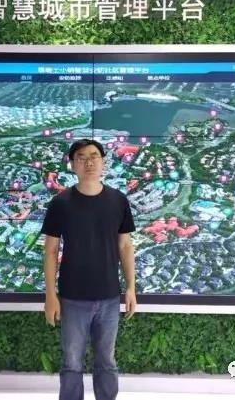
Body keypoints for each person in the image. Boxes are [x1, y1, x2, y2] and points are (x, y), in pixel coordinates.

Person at [41, 138, 137, 400]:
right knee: (71, 363)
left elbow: (125, 246)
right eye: (81, 158)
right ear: (72, 165)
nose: (89, 162)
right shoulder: (61, 203)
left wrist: (131, 288)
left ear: (103, 162)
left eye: (94, 156)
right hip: (72, 297)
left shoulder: (118, 200)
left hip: (109, 296)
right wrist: (50, 295)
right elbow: (50, 251)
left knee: (107, 361)